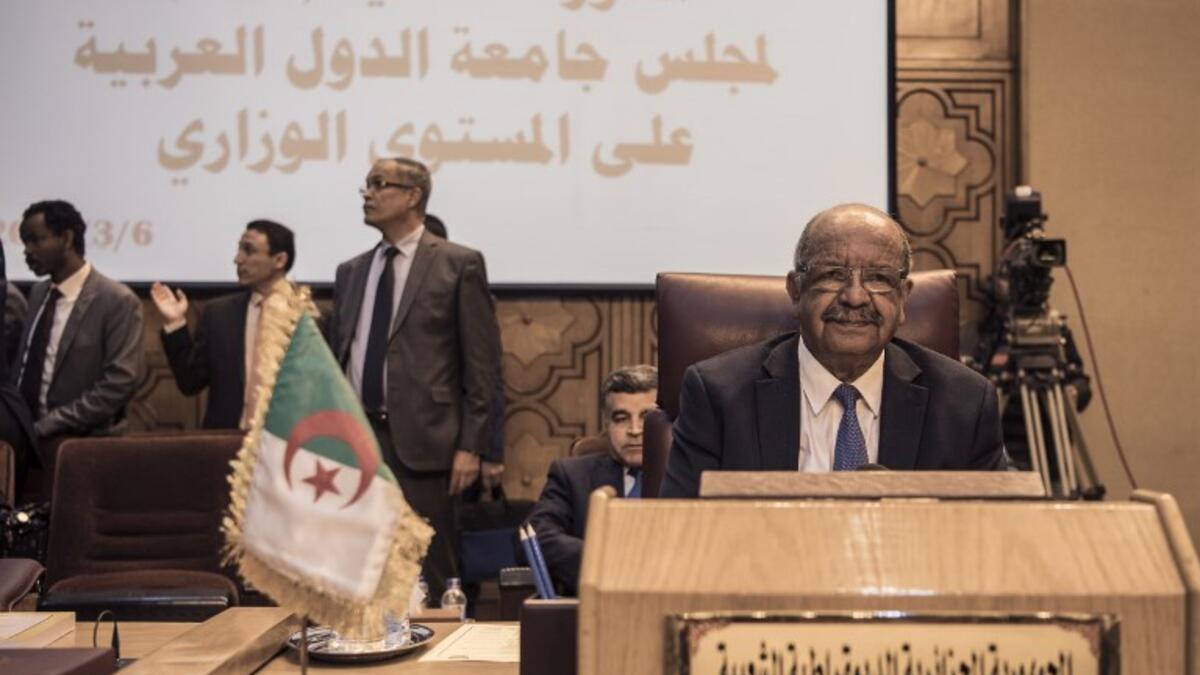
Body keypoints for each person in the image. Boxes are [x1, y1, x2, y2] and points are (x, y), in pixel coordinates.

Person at [662, 203, 1008, 498]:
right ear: (796, 290)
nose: (855, 297)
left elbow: (991, 540)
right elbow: (680, 534)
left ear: (903, 298)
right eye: (833, 274)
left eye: (879, 278)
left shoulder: (965, 403)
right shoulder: (719, 395)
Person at [329, 157, 501, 603]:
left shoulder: (457, 263)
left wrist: (472, 446)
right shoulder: (351, 271)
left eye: (378, 184)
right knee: (359, 563)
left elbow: (481, 365)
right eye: (365, 185)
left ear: (412, 196)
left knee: (431, 567)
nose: (366, 193)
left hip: (427, 443)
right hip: (357, 441)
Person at [14, 200, 142, 471]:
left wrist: (51, 424)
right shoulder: (38, 293)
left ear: (67, 238)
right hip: (30, 444)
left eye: (36, 240)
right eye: (25, 242)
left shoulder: (116, 300)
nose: (27, 251)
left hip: (86, 448)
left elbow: (118, 383)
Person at [526, 365, 657, 596]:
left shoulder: (690, 474)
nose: (635, 430)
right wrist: (604, 559)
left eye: (646, 418)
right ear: (606, 424)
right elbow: (535, 535)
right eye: (621, 418)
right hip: (593, 608)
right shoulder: (573, 475)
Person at [151, 220, 295, 429]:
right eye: (239, 249)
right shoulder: (220, 314)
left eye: (249, 251)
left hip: (289, 445)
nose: (237, 259)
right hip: (227, 442)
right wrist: (175, 322)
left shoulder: (311, 317)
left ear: (279, 259)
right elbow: (190, 382)